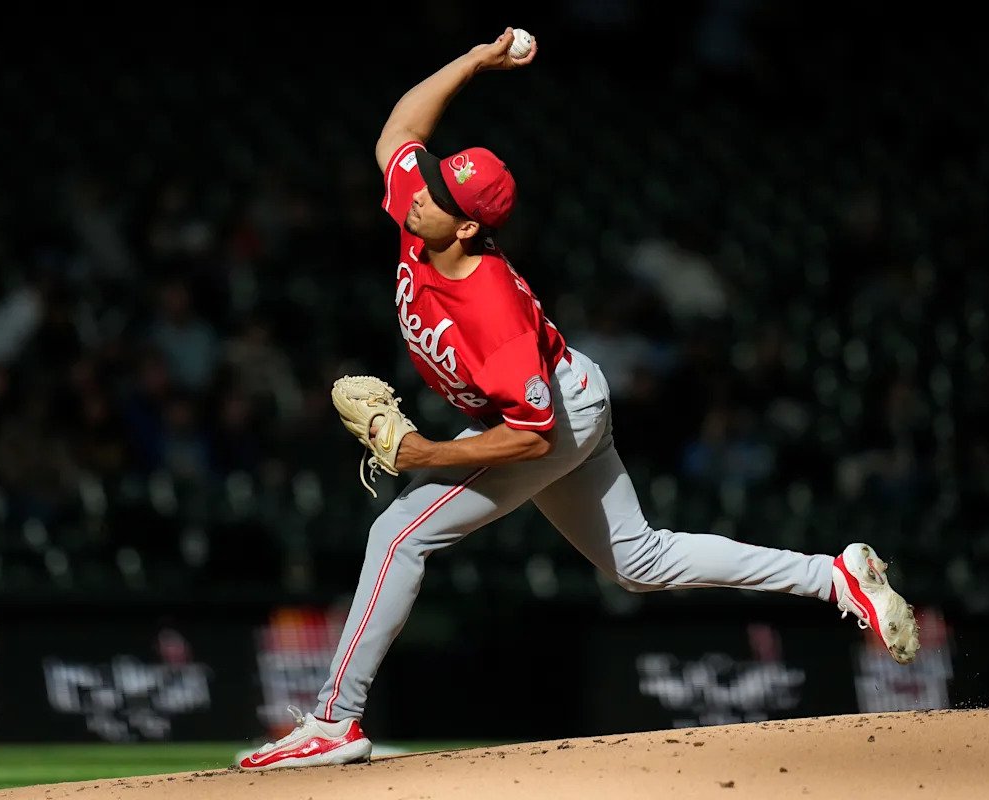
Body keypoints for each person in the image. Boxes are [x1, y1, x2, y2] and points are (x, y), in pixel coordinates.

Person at [238, 27, 920, 771]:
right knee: (640, 560)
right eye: (428, 182)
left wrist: (422, 453)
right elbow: (398, 131)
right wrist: (476, 61)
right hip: (565, 390)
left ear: (468, 224)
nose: (418, 193)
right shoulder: (421, 210)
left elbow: (533, 436)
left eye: (439, 196)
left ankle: (336, 720)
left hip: (552, 416)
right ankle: (835, 576)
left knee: (399, 534)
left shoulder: (492, 311)